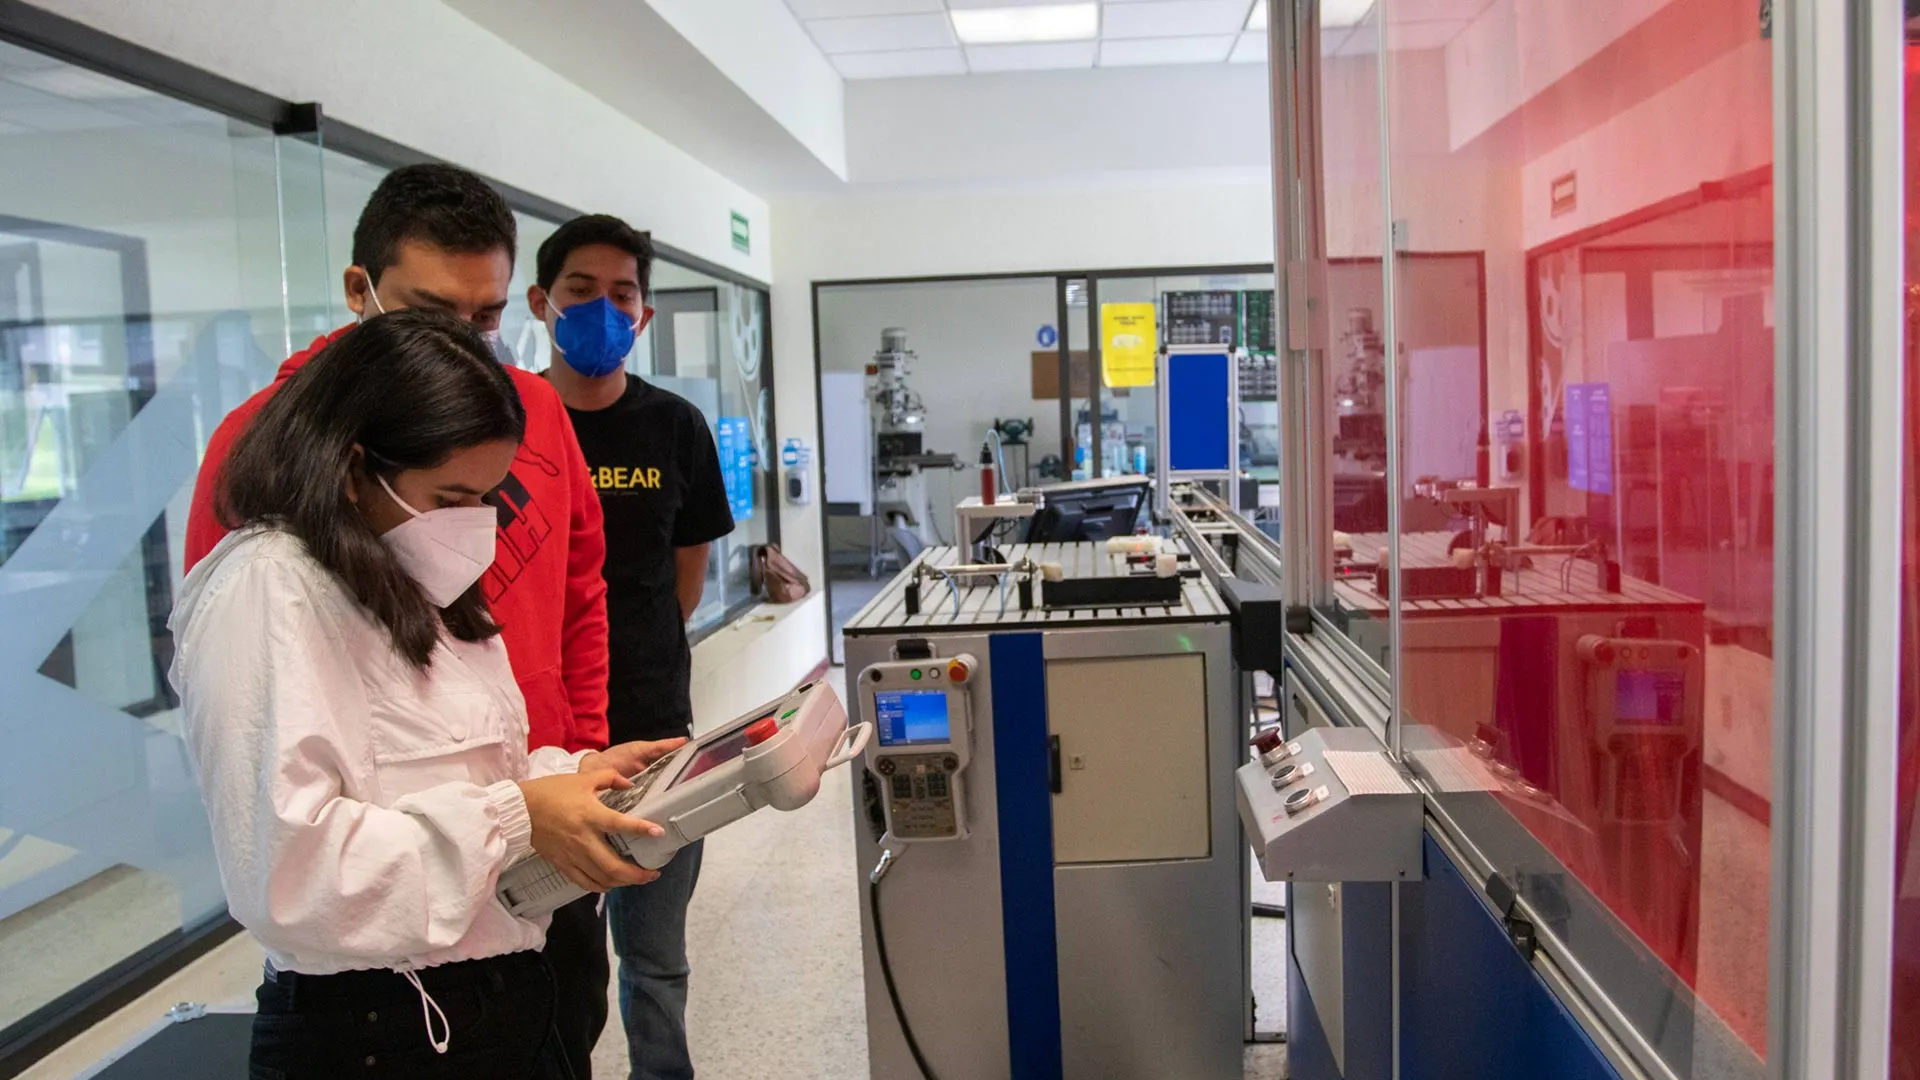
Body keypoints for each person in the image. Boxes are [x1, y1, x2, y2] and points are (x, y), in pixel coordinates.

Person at [181, 164, 616, 1077]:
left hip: (508, 926)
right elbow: (284, 843)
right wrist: (515, 815)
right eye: (454, 496)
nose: (478, 528)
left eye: (486, 320)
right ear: (352, 471)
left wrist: (574, 767)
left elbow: (573, 601)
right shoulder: (271, 572)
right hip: (386, 998)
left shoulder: (446, 517)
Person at [531, 215, 734, 1080]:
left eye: (622, 296)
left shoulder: (676, 427)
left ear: (644, 316)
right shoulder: (512, 420)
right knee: (554, 963)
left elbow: (686, 575)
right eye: (581, 292)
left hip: (653, 724)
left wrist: (640, 653)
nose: (602, 311)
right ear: (541, 303)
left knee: (654, 959)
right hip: (548, 747)